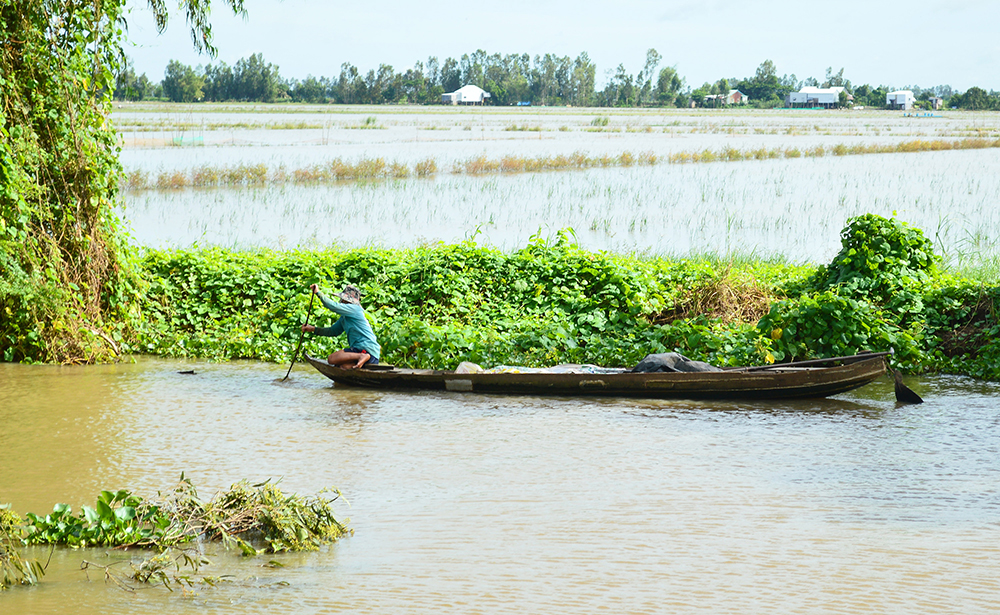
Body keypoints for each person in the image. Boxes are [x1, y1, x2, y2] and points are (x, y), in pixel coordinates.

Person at [302, 283, 381, 369]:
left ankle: (361, 356)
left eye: (343, 300)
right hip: (371, 355)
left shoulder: (354, 309)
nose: (342, 301)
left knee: (331, 359)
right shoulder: (344, 318)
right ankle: (359, 360)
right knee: (342, 366)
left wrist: (318, 293)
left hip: (366, 350)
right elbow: (333, 331)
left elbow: (333, 306)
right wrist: (313, 329)